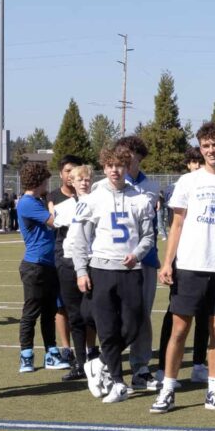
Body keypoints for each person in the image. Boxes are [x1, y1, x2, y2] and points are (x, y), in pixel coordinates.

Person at [151, 122, 215, 415]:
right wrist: (168, 262)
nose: (211, 151)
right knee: (179, 331)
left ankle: (213, 390)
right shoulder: (188, 182)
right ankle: (168, 389)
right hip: (190, 267)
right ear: (201, 148)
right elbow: (177, 224)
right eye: (206, 146)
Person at [71, 146, 155, 403]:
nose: (115, 170)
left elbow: (149, 236)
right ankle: (118, 382)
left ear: (127, 167)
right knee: (107, 328)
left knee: (133, 324)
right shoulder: (93, 198)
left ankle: (100, 364)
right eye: (110, 166)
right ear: (104, 168)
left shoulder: (139, 199)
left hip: (131, 271)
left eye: (120, 165)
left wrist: (138, 254)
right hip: (102, 269)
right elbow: (80, 240)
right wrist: (81, 271)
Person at [153, 147, 210, 388]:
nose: (197, 165)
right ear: (187, 164)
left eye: (200, 161)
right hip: (183, 257)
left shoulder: (212, 183)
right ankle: (162, 367)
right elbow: (176, 224)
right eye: (193, 162)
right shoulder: (181, 186)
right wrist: (169, 261)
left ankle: (199, 364)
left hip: (206, 257)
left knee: (205, 314)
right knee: (175, 313)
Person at [54, 164, 103, 387]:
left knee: (92, 313)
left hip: (93, 262)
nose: (83, 182)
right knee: (74, 315)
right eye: (79, 179)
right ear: (70, 182)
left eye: (86, 179)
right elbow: (60, 233)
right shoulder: (64, 207)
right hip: (68, 263)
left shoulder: (99, 201)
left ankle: (94, 355)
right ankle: (81, 363)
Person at [17, 162, 65, 373]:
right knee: (31, 312)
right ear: (39, 181)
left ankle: (51, 352)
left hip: (49, 264)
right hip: (35, 265)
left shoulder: (36, 200)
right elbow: (54, 221)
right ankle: (26, 355)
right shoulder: (27, 203)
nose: (48, 183)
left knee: (49, 311)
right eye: (46, 179)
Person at [48, 154, 84, 368]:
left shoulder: (88, 194)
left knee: (85, 307)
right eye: (67, 171)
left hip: (82, 259)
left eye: (75, 170)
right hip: (61, 257)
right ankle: (65, 348)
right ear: (61, 174)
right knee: (62, 307)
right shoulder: (53, 196)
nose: (71, 175)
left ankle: (90, 349)